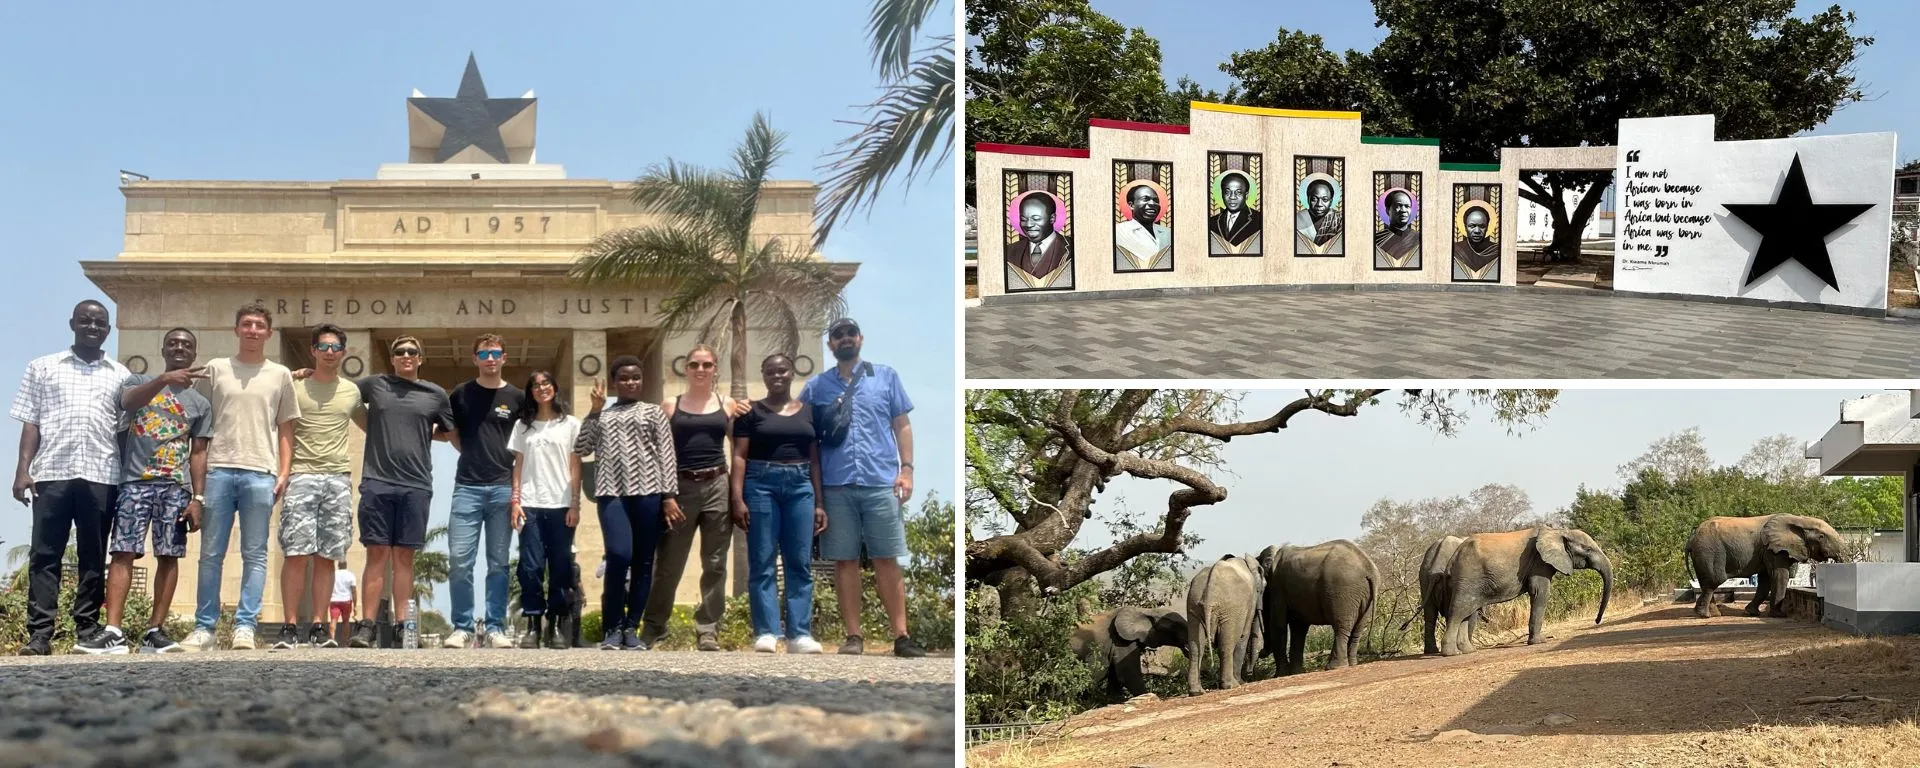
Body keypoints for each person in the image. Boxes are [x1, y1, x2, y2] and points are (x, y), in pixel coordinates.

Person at [76, 329, 210, 654]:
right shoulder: (138, 381)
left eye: (187, 345)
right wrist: (163, 379)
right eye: (174, 344)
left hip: (175, 489)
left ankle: (155, 631)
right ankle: (114, 631)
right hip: (135, 483)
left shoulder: (200, 404)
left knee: (169, 556)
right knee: (123, 552)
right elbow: (127, 402)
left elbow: (199, 453)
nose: (180, 348)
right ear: (163, 349)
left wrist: (198, 498)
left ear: (193, 353)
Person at [11, 300, 131, 656]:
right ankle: (40, 634)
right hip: (52, 472)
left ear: (108, 330)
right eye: (85, 321)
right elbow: (31, 421)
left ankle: (87, 629)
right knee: (45, 555)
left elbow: (123, 432)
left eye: (99, 323)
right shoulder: (43, 367)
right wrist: (22, 469)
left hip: (101, 474)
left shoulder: (120, 374)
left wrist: (127, 480)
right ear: (72, 324)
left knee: (93, 556)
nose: (92, 327)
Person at [800, 318, 926, 658]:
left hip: (880, 481)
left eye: (849, 334)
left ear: (860, 338)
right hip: (836, 483)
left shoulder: (886, 376)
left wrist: (908, 471)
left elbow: (902, 425)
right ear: (830, 344)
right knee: (845, 561)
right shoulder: (816, 388)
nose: (844, 339)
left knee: (888, 558)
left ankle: (901, 636)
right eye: (837, 335)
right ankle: (853, 636)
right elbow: (800, 430)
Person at [186, 303, 300, 652]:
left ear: (269, 333)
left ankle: (245, 626)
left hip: (261, 472)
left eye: (259, 325)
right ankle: (204, 627)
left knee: (256, 554)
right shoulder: (216, 369)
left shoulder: (280, 374)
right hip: (219, 468)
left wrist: (284, 472)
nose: (253, 330)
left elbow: (286, 427)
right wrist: (198, 478)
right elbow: (200, 426)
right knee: (210, 553)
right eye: (247, 324)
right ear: (236, 330)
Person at [348, 335, 455, 650]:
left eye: (412, 352)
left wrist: (421, 433)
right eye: (400, 352)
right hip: (377, 480)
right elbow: (339, 393)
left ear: (420, 359)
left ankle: (402, 628)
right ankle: (366, 627)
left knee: (405, 557)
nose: (406, 355)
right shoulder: (376, 385)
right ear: (392, 359)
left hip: (416, 484)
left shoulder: (435, 395)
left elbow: (449, 434)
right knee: (377, 554)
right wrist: (305, 376)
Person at [573, 355, 681, 651]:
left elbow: (667, 455)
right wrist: (594, 412)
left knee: (644, 562)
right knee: (618, 556)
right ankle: (612, 628)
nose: (630, 382)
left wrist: (669, 496)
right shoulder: (603, 415)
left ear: (642, 381)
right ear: (613, 382)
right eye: (624, 378)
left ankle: (632, 628)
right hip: (612, 494)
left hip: (649, 492)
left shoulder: (654, 412)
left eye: (635, 377)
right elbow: (581, 448)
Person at [641, 344, 736, 652]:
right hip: (679, 487)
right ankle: (654, 626)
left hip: (718, 484)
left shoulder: (729, 404)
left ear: (714, 369)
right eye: (694, 364)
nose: (700, 370)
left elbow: (739, 449)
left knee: (715, 562)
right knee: (669, 562)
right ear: (685, 368)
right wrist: (666, 495)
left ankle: (708, 629)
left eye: (706, 365)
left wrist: (737, 493)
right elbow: (657, 455)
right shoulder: (671, 405)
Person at [273, 324, 361, 650]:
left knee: (328, 556)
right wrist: (284, 472)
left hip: (337, 478)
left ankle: (320, 627)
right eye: (323, 346)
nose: (329, 352)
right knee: (296, 553)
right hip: (302, 476)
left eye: (335, 347)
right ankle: (290, 626)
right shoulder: (294, 387)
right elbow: (285, 430)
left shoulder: (352, 392)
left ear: (343, 352)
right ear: (313, 351)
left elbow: (376, 425)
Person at [732, 352, 826, 654]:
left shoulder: (810, 412)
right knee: (762, 560)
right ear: (763, 374)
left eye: (782, 371)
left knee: (799, 561)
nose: (777, 376)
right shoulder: (751, 412)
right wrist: (737, 498)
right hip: (760, 484)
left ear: (791, 373)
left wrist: (819, 502)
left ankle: (799, 634)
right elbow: (739, 456)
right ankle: (767, 632)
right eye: (770, 371)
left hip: (800, 485)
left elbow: (815, 460)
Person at [445, 333, 524, 649]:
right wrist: (469, 452)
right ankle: (462, 626)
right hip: (467, 486)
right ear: (474, 358)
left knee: (498, 563)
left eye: (495, 353)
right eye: (484, 353)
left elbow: (522, 448)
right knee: (459, 560)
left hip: (503, 489)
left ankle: (495, 627)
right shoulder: (461, 393)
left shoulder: (518, 397)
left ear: (505, 357)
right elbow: (452, 431)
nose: (490, 358)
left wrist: (517, 493)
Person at [507, 369, 581, 650]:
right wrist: (515, 501)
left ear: (555, 388)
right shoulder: (522, 426)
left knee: (561, 567)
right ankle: (533, 624)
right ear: (530, 392)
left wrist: (575, 503)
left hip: (561, 505)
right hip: (530, 505)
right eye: (535, 385)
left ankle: (558, 623)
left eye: (546, 383)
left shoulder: (571, 424)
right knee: (530, 567)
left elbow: (575, 466)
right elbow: (518, 466)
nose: (541, 388)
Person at [1003, 192, 1072, 283]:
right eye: (1023, 219)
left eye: (1036, 219)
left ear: (1052, 218)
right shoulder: (1010, 251)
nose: (1029, 225)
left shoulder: (1071, 247)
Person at [1113, 183, 1172, 271]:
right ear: (1131, 205)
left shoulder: (1168, 232)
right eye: (1145, 199)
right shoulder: (1118, 231)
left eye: (1156, 200)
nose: (1152, 203)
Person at [1207, 171, 1262, 254]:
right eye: (1227, 192)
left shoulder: (1258, 219)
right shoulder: (1213, 221)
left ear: (1246, 195)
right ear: (1222, 194)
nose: (1232, 197)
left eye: (1238, 192)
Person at [1375, 190, 1419, 266]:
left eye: (1407, 206)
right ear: (1388, 210)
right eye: (1398, 206)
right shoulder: (1377, 239)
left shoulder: (1418, 238)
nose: (1403, 210)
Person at [1296, 179, 1342, 248]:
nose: (1319, 204)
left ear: (1331, 201)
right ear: (1308, 199)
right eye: (1314, 199)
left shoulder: (1339, 219)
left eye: (1325, 200)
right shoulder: (1298, 218)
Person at [1454, 206, 1500, 274]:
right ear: (1465, 227)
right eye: (1472, 226)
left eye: (1482, 226)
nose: (1477, 231)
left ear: (1487, 227)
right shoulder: (1457, 249)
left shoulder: (1495, 250)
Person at [329, 566, 357, 632]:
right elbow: (354, 591)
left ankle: (332, 639)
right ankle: (345, 641)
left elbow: (328, 587)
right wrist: (355, 605)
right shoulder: (350, 575)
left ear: (338, 566)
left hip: (334, 600)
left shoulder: (333, 574)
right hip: (346, 601)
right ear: (346, 566)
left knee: (333, 620)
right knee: (346, 621)